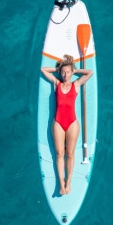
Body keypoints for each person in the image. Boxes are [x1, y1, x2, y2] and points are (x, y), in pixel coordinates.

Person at [40, 54, 94, 195]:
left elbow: (90, 73)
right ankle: (60, 184)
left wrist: (75, 70)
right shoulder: (56, 84)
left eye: (68, 72)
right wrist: (58, 69)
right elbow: (43, 70)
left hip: (72, 124)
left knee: (69, 154)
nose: (65, 74)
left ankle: (68, 182)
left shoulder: (75, 85)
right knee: (59, 154)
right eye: (63, 72)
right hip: (58, 123)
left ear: (71, 73)